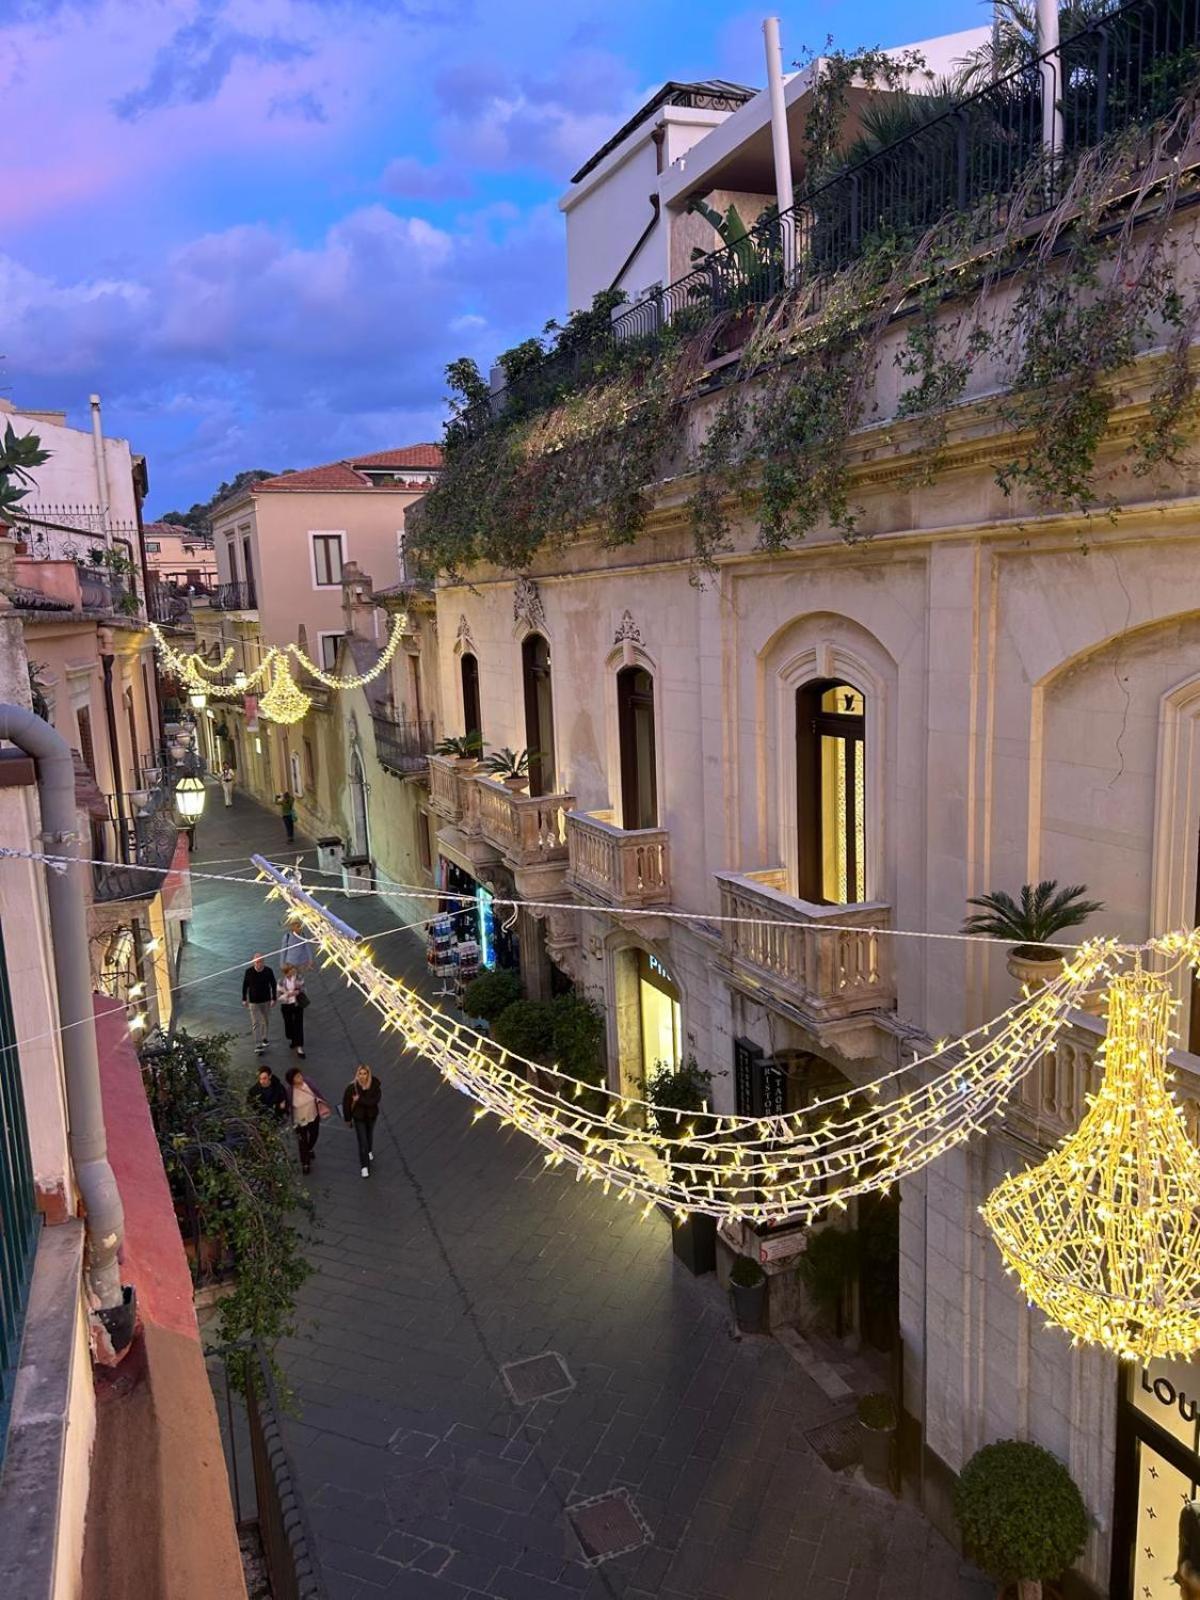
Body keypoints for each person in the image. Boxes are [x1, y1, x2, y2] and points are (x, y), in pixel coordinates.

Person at [285, 1066, 329, 1174]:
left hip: (313, 1116)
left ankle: (309, 1148)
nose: (300, 1077)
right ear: (292, 1080)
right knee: (302, 1142)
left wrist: (321, 1100)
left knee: (314, 1135)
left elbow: (317, 1092)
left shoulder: (308, 1082)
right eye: (297, 1076)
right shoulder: (290, 1091)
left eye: (300, 1074)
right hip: (299, 1120)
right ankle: (305, 1163)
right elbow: (288, 1104)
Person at [341, 1064, 382, 1178]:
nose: (362, 1076)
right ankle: (364, 1167)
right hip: (359, 1118)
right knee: (362, 1141)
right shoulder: (352, 1087)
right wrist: (348, 1119)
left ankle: (369, 1150)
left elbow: (373, 1101)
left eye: (365, 1073)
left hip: (371, 1116)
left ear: (369, 1074)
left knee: (369, 1136)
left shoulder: (374, 1085)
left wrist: (359, 1100)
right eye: (360, 1073)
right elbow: (346, 1104)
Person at [241, 952, 277, 1053]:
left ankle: (264, 1037)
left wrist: (274, 998)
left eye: (260, 961)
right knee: (255, 1023)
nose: (258, 964)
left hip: (266, 1000)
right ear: (253, 963)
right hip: (253, 1002)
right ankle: (258, 1044)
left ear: (263, 962)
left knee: (265, 1020)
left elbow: (273, 984)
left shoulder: (268, 971)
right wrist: (244, 998)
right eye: (256, 962)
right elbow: (245, 985)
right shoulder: (249, 972)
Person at [279, 964, 308, 1057]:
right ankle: (293, 1039)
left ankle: (299, 1047)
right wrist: (286, 995)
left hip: (297, 1004)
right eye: (289, 971)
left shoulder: (298, 978)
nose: (292, 972)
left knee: (298, 1025)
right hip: (286, 1005)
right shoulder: (281, 982)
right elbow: (279, 996)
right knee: (289, 1024)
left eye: (292, 970)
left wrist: (297, 992)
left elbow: (304, 988)